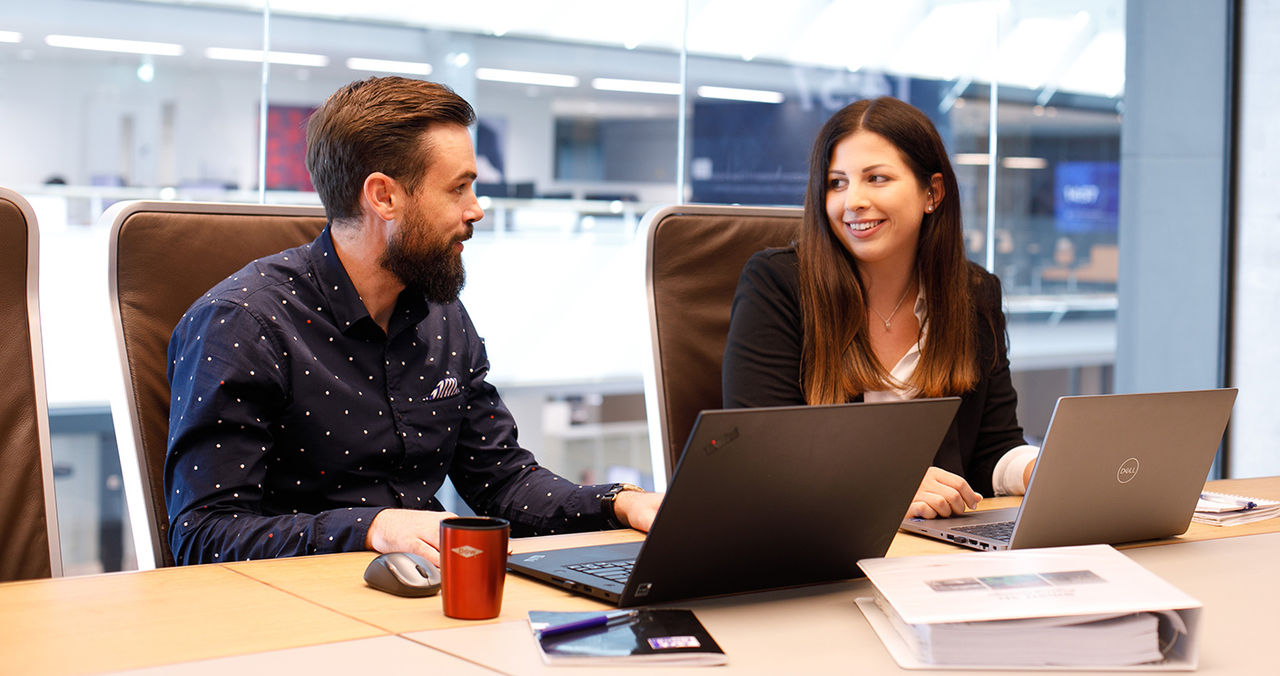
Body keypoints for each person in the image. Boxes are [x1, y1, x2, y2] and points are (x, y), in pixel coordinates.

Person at [165, 76, 661, 565]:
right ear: (383, 197)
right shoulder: (244, 324)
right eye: (458, 189)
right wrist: (374, 528)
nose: (477, 210)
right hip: (297, 615)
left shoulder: (443, 317)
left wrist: (620, 502)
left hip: (425, 595)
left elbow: (502, 481)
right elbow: (204, 535)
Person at [721, 96, 1037, 520]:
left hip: (934, 549)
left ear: (933, 192)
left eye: (876, 178)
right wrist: (890, 483)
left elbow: (991, 449)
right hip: (817, 544)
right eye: (837, 183)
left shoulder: (973, 294)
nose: (853, 200)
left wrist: (1037, 469)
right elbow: (762, 453)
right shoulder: (778, 286)